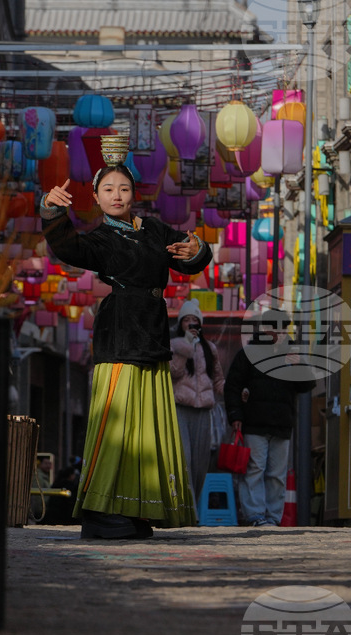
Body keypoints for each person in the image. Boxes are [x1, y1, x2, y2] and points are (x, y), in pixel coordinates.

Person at [40, 168, 212, 539]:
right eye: (107, 189)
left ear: (134, 193)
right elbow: (68, 247)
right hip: (119, 334)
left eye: (123, 188)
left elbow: (189, 255)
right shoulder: (100, 238)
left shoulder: (155, 230)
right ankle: (98, 510)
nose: (116, 195)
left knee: (145, 427)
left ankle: (133, 508)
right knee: (115, 425)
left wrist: (198, 249)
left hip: (152, 332)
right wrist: (51, 210)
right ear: (96, 198)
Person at [224, 310, 316, 526]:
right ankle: (255, 515)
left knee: (276, 474)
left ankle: (273, 518)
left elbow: (307, 385)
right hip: (254, 423)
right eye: (277, 328)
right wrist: (235, 415)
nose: (281, 333)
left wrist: (299, 366)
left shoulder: (291, 354)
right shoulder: (249, 354)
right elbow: (233, 386)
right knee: (255, 470)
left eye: (284, 328)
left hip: (281, 424)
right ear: (265, 329)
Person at [170, 298, 225, 510]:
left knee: (201, 463)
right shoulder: (174, 346)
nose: (191, 323)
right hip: (181, 409)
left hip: (203, 411)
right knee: (184, 459)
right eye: (187, 320)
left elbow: (217, 379)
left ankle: (192, 505)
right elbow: (174, 372)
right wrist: (185, 347)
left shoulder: (210, 348)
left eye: (194, 320)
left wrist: (234, 392)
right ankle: (189, 510)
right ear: (181, 323)